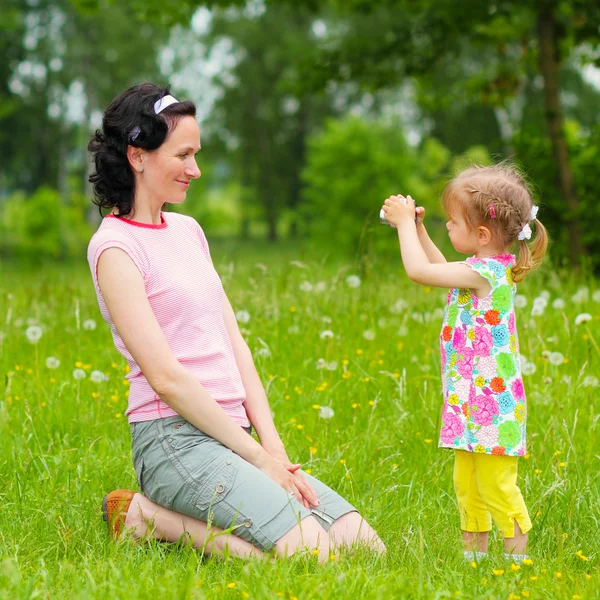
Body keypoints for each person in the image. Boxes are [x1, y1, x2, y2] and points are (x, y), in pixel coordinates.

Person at [86, 83, 385, 561]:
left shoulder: (188, 231)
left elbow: (235, 344)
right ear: (138, 156)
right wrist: (257, 461)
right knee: (313, 559)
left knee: (365, 548)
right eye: (182, 155)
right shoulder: (115, 249)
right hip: (173, 442)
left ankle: (171, 516)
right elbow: (165, 379)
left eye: (197, 154)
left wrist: (274, 450)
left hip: (234, 435)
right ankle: (148, 518)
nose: (196, 170)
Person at [381, 165, 548, 563]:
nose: (447, 226)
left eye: (452, 222)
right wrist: (420, 231)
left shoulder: (488, 272)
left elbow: (420, 272)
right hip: (469, 400)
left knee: (496, 486)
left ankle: (517, 563)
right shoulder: (480, 269)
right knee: (468, 484)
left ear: (483, 234)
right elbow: (441, 270)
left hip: (491, 408)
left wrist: (404, 225)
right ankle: (475, 562)